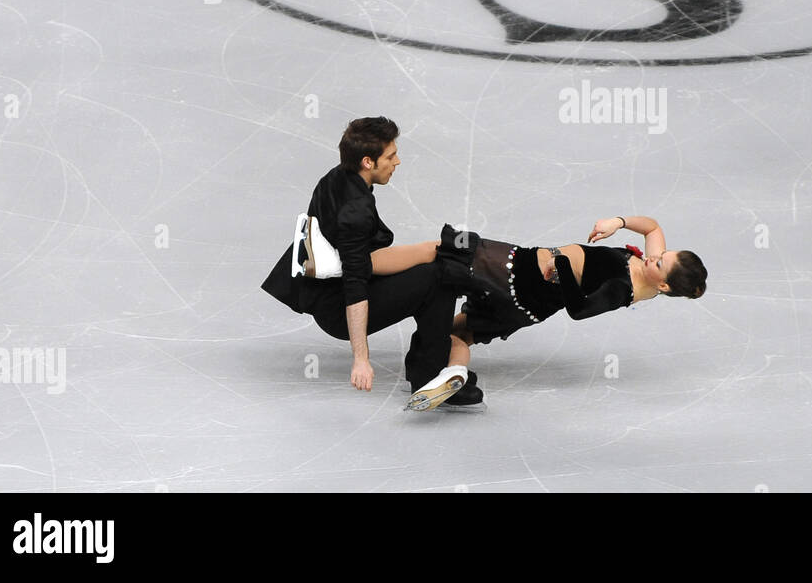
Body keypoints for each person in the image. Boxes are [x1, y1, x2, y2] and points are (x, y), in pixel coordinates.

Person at [304, 214, 707, 411]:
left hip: (521, 273)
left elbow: (580, 310)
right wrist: (617, 222)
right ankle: (454, 375)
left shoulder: (626, 289)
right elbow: (652, 227)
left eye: (660, 263)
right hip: (524, 309)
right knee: (462, 332)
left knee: (441, 250)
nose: (656, 256)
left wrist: (563, 267)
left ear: (665, 286)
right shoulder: (656, 270)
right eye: (663, 255)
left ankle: (335, 265)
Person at [260, 117, 483, 406]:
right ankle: (428, 374)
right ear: (368, 161)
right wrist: (361, 360)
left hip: (332, 290)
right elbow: (355, 285)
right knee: (440, 277)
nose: (397, 161)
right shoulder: (355, 211)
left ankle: (425, 365)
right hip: (338, 308)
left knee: (436, 266)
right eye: (390, 156)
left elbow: (364, 261)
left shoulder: (337, 177)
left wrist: (429, 249)